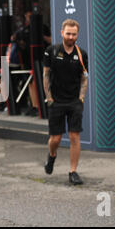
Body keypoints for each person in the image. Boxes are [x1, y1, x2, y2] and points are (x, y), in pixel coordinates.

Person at [43, 19, 88, 185]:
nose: (71, 37)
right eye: (68, 33)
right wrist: (49, 97)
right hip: (56, 101)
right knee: (55, 139)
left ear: (77, 34)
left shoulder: (81, 54)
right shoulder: (51, 51)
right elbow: (46, 74)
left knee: (74, 136)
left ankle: (73, 171)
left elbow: (84, 78)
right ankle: (52, 155)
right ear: (62, 33)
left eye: (74, 34)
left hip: (74, 101)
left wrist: (81, 97)